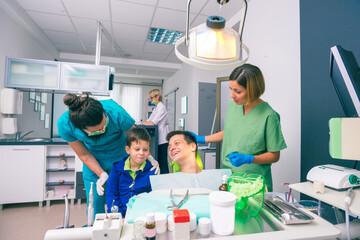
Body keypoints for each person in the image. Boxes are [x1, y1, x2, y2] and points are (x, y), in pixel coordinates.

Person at [57, 93, 159, 218]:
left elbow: (136, 138)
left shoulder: (115, 112)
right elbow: (84, 154)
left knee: (126, 196)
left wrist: (147, 155)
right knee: (95, 201)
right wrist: (101, 174)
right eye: (99, 130)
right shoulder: (65, 125)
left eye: (105, 124)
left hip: (121, 156)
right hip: (94, 159)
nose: (103, 129)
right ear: (83, 129)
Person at [190, 64, 287, 192]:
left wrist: (250, 159)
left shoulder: (269, 116)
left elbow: (274, 155)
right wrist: (202, 139)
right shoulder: (233, 106)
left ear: (253, 90)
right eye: (231, 89)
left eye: (237, 91)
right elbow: (231, 132)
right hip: (229, 177)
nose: (231, 95)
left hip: (253, 182)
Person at [105, 127, 156, 217]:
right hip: (121, 215)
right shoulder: (117, 169)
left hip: (143, 215)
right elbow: (112, 195)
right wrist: (119, 216)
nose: (141, 153)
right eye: (137, 149)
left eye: (145, 150)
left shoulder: (152, 171)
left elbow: (154, 197)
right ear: (128, 150)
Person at [139, 89, 170, 174]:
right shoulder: (155, 108)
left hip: (162, 139)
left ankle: (165, 181)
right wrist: (139, 122)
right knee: (158, 161)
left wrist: (139, 122)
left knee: (162, 162)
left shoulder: (161, 107)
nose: (151, 100)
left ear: (157, 97)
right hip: (157, 138)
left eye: (152, 98)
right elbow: (149, 120)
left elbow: (152, 123)